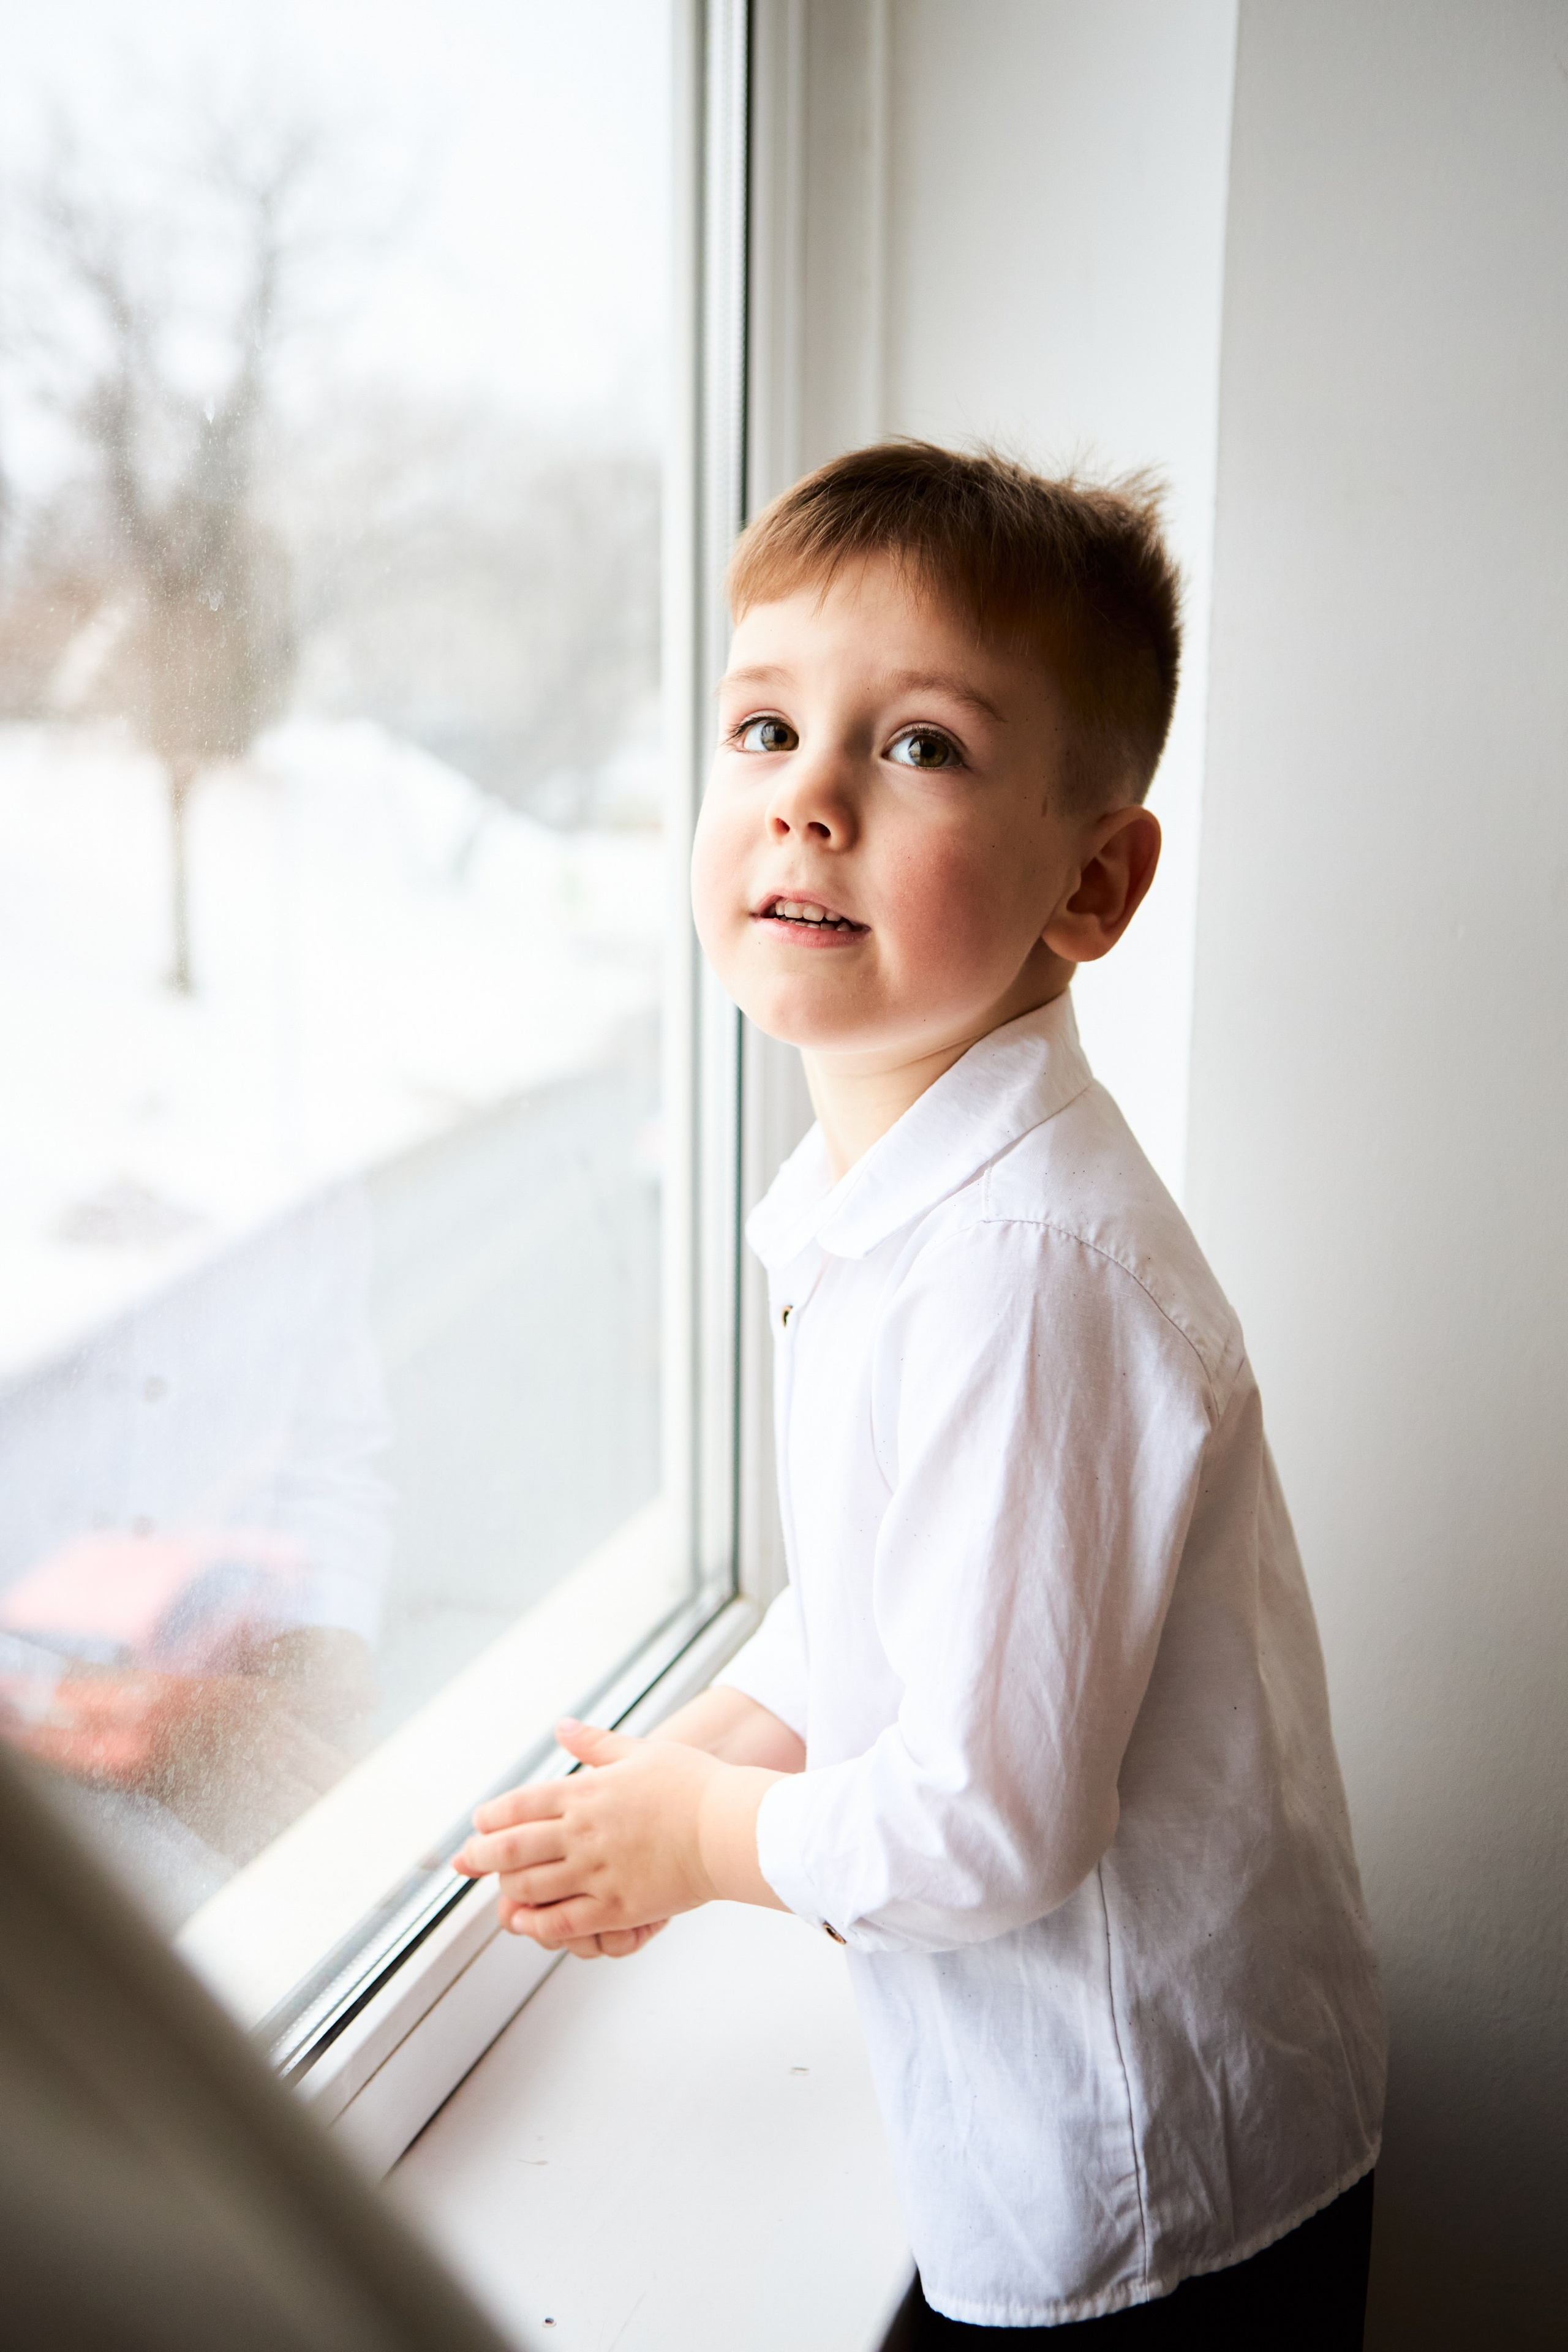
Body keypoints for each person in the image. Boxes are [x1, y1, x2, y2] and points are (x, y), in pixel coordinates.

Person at [454, 443, 1385, 2341]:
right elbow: (885, 1600)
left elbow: (988, 1826)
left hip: (1149, 2195)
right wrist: (703, 1752)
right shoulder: (908, 1207)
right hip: (1068, 2127)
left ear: (1095, 882)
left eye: (920, 750)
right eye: (767, 727)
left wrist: (707, 1847)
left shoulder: (1024, 1270)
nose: (804, 801)